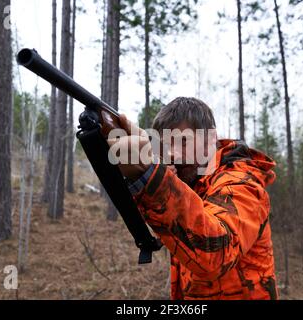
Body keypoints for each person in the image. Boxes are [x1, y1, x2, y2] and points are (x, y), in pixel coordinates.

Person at [105, 97, 278, 300]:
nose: (172, 153)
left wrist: (153, 177)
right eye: (165, 145)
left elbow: (215, 253)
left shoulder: (242, 182)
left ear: (210, 140)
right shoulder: (191, 183)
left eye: (182, 141)